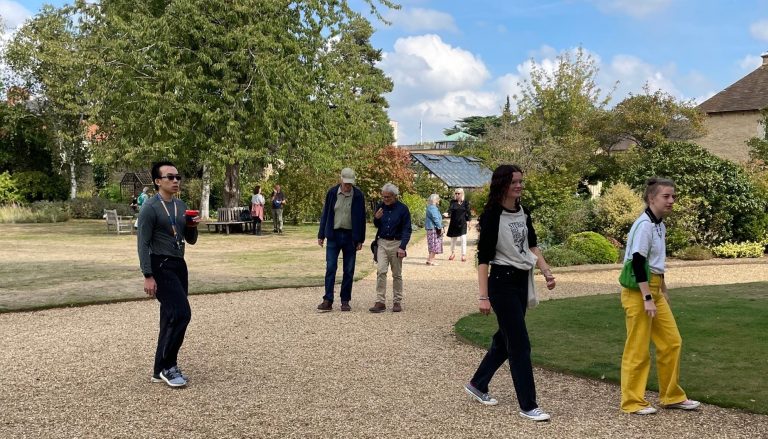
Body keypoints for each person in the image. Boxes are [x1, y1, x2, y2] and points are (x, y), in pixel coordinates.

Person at [464, 164, 556, 422]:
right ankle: (528, 405)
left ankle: (478, 384)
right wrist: (483, 296)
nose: (519, 186)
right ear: (502, 183)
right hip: (501, 283)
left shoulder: (523, 212)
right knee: (519, 344)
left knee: (505, 339)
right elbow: (483, 258)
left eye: (520, 182)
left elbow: (532, 245)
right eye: (514, 182)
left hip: (521, 281)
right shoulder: (493, 214)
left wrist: (546, 272)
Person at [620, 177, 700, 415]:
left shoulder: (659, 225)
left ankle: (671, 396)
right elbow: (637, 262)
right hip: (638, 291)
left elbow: (655, 263)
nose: (671, 200)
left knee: (672, 341)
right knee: (638, 348)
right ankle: (632, 402)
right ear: (651, 198)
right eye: (666, 196)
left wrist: (662, 289)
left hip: (653, 289)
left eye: (673, 196)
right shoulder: (644, 224)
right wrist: (647, 297)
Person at [137, 161, 199, 388]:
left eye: (177, 177)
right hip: (160, 265)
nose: (175, 181)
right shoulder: (150, 208)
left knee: (169, 316)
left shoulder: (181, 206)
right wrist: (147, 274)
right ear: (157, 181)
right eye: (170, 177)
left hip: (179, 264)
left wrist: (192, 226)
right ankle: (168, 366)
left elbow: (190, 240)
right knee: (181, 313)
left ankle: (158, 369)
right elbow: (142, 244)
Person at [316, 168, 366, 312]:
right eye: (346, 183)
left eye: (350, 184)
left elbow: (361, 218)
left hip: (351, 236)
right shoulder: (332, 193)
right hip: (334, 235)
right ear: (341, 180)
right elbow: (325, 213)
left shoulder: (358, 195)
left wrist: (360, 239)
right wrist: (321, 235)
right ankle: (328, 299)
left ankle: (345, 300)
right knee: (331, 267)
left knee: (349, 270)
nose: (348, 186)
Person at [369, 183, 411, 313]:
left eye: (388, 197)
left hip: (396, 243)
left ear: (395, 196)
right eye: (384, 197)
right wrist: (376, 218)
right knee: (381, 271)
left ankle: (397, 301)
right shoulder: (380, 207)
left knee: (397, 274)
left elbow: (407, 229)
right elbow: (377, 224)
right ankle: (380, 301)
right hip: (382, 242)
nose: (385, 199)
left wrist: (402, 247)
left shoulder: (403, 209)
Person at [444, 187, 471, 262]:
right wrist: (447, 213)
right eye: (455, 193)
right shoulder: (453, 202)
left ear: (462, 194)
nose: (457, 194)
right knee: (453, 240)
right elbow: (450, 210)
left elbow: (468, 213)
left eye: (458, 193)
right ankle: (452, 253)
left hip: (462, 223)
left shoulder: (465, 202)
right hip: (454, 223)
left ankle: (463, 255)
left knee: (463, 239)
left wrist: (469, 222)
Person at [425, 193, 443, 266]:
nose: (439, 201)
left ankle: (431, 260)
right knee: (434, 244)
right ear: (435, 200)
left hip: (431, 228)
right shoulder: (433, 208)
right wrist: (440, 227)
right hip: (433, 228)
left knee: (432, 244)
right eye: (438, 199)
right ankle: (430, 260)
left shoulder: (430, 207)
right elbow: (435, 219)